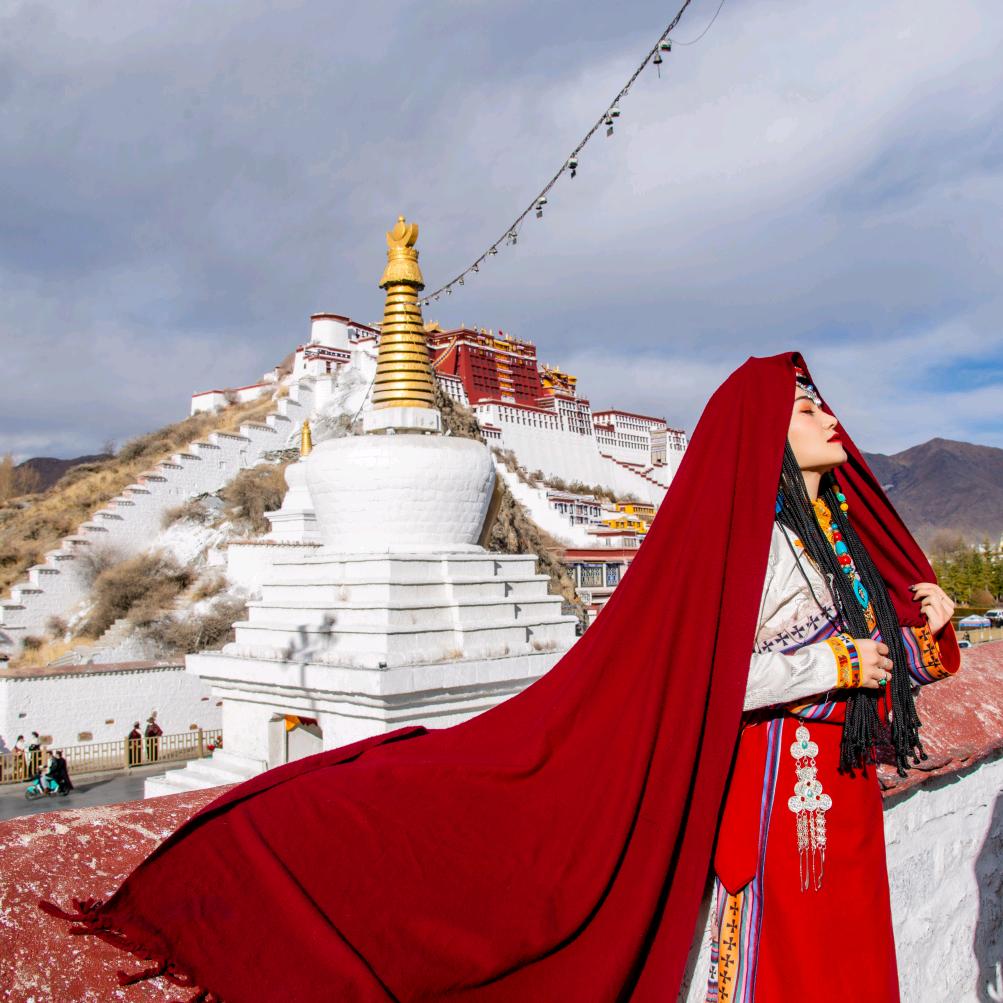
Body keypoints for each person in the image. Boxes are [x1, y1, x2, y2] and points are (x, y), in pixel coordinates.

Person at [42, 354, 961, 1002]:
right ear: (762, 430)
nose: (828, 417)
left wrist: (920, 632)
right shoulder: (748, 544)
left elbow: (879, 671)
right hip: (769, 796)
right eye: (804, 408)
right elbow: (697, 675)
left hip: (834, 792)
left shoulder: (824, 540)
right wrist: (825, 662)